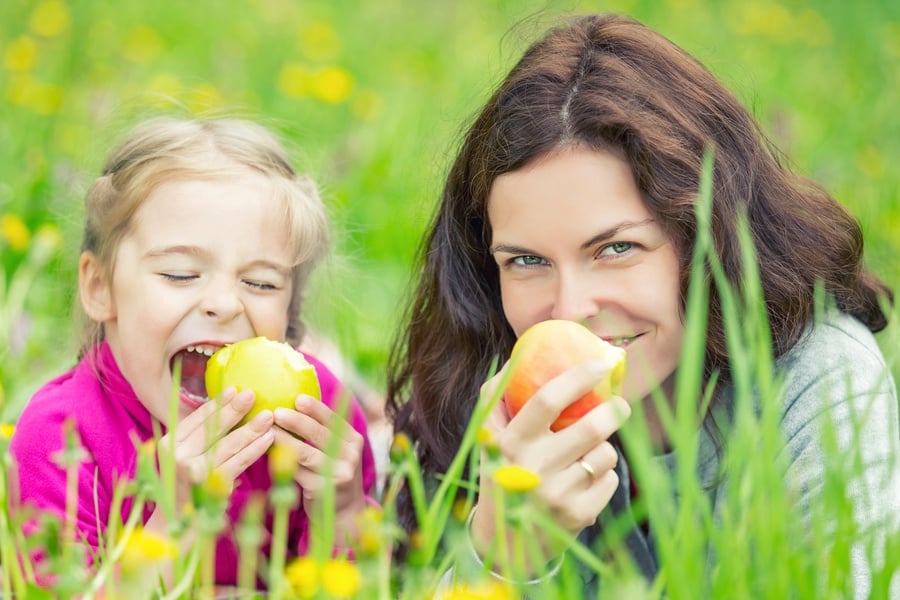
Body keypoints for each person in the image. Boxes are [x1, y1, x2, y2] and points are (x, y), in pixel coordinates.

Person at [385, 12, 899, 597]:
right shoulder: (490, 393)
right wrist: (504, 556)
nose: (570, 309)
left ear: (706, 238)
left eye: (616, 248)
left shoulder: (816, 383)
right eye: (526, 261)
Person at [9, 117, 378, 590]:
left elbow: (361, 584)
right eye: (181, 274)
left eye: (261, 283)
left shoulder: (319, 417)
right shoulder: (60, 440)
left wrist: (342, 509)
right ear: (100, 287)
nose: (223, 304)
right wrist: (173, 520)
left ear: (288, 311)